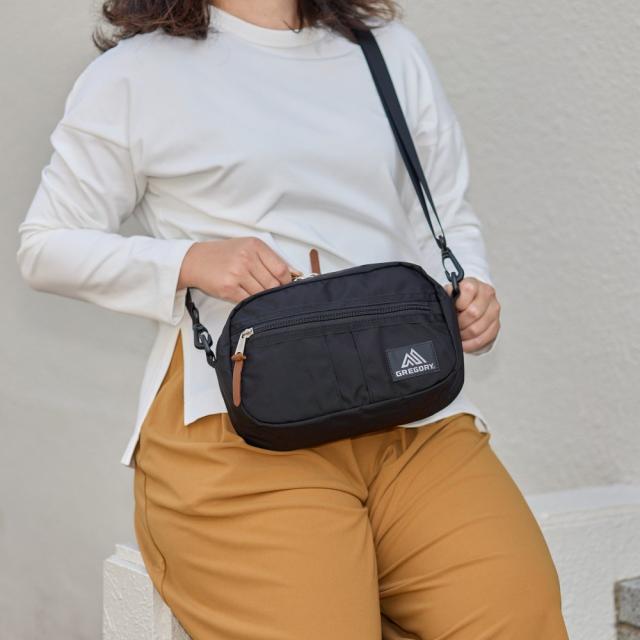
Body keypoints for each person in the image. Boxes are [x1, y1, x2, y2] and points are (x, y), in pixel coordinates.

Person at [16, 1, 570, 638]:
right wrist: (190, 261)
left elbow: (440, 212)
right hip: (238, 427)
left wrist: (471, 287)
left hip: (411, 413)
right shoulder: (135, 74)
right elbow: (46, 246)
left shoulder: (384, 49)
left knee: (520, 618)